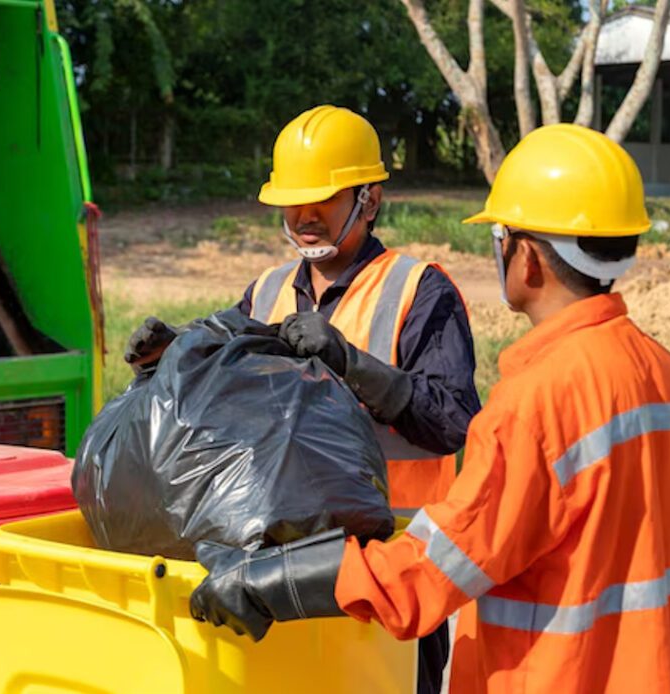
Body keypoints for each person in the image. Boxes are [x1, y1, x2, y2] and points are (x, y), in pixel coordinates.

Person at [189, 123, 670, 693]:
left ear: (527, 260)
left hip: (543, 673)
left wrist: (271, 583)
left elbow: (432, 568)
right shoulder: (661, 372)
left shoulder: (534, 401)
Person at [126, 105, 480, 693]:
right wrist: (166, 357)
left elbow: (455, 422)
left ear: (369, 200)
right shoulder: (265, 292)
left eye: (324, 201)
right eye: (293, 201)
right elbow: (213, 401)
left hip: (385, 578)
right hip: (269, 578)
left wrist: (351, 362)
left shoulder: (419, 291)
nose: (304, 217)